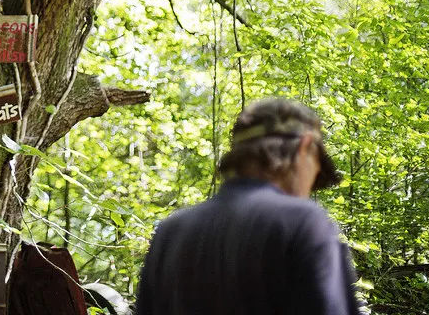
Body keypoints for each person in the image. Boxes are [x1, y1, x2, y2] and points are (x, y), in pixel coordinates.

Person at [134, 97, 361, 315]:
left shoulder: (169, 232)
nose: (311, 187)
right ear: (305, 146)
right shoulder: (303, 222)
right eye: (317, 169)